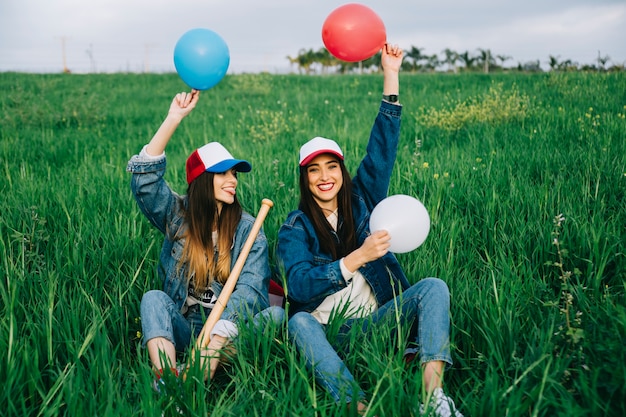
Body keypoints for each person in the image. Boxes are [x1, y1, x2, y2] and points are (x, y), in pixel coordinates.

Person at [277, 44, 463, 417]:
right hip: (330, 334)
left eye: (332, 167)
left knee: (434, 287)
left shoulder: (362, 200)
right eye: (314, 170)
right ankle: (358, 406)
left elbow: (382, 150)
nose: (325, 177)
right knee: (297, 321)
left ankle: (433, 398)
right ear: (305, 179)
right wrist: (355, 258)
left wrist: (390, 74)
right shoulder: (293, 228)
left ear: (342, 173)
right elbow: (297, 286)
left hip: (379, 325)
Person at [126, 89, 282, 390]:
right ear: (200, 180)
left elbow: (252, 291)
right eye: (222, 173)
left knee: (275, 315)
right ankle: (170, 379)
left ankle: (200, 370)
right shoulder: (177, 215)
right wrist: (173, 118)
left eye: (234, 173)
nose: (233, 180)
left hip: (229, 328)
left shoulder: (249, 228)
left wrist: (214, 341)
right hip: (186, 324)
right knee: (153, 299)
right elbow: (144, 183)